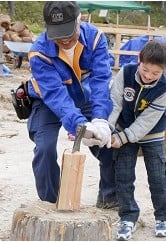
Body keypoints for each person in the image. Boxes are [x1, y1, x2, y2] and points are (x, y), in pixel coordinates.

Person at [26, 1, 118, 209]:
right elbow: (55, 96)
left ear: (79, 21)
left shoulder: (95, 39)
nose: (65, 39)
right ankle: (53, 201)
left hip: (83, 96)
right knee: (45, 148)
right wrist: (78, 125)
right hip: (47, 102)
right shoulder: (38, 52)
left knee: (107, 141)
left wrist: (100, 119)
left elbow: (101, 81)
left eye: (68, 32)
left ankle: (110, 197)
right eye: (57, 34)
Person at [108, 40, 166, 241]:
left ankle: (163, 217)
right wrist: (106, 129)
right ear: (139, 60)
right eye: (145, 70)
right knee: (123, 175)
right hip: (123, 128)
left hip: (151, 134)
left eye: (155, 73)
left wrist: (123, 137)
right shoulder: (126, 72)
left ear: (165, 70)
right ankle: (128, 217)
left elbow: (146, 122)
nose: (148, 76)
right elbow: (115, 103)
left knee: (158, 176)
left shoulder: (164, 89)